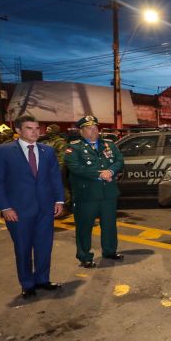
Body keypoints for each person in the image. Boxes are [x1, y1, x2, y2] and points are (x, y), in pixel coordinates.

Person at [0, 115, 64, 299]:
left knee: (44, 247)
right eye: (30, 128)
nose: (35, 131)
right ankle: (27, 283)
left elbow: (55, 177)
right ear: (18, 131)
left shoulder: (48, 151)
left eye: (37, 128)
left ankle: (42, 280)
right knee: (23, 248)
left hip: (45, 209)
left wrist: (59, 200)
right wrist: (5, 207)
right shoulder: (3, 151)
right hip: (18, 211)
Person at [64, 115, 125, 268]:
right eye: (90, 128)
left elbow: (119, 161)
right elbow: (76, 168)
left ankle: (110, 251)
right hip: (86, 195)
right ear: (81, 131)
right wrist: (100, 174)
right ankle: (84, 256)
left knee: (110, 225)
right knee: (84, 226)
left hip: (108, 193)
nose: (94, 131)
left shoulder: (109, 145)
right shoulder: (74, 148)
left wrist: (110, 171)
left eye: (96, 128)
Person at [40, 123, 71, 212]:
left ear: (55, 131)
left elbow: (62, 158)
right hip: (48, 169)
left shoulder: (60, 142)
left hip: (58, 168)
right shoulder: (47, 141)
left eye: (49, 130)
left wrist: (58, 170)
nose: (47, 131)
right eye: (47, 129)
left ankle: (65, 206)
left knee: (61, 187)